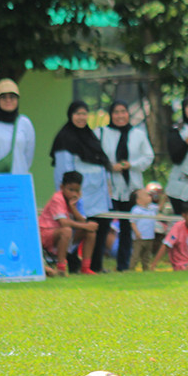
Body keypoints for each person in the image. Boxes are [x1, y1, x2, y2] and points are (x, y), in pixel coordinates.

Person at [51, 101, 113, 273]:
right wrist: (66, 193)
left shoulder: (90, 137)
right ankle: (73, 263)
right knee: (76, 231)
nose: (81, 117)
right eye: (77, 114)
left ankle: (96, 265)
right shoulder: (64, 138)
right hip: (78, 196)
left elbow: (102, 163)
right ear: (70, 115)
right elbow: (62, 169)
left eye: (84, 114)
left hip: (98, 195)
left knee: (101, 227)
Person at [98, 101, 155, 272]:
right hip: (109, 186)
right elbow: (97, 155)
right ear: (111, 115)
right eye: (116, 112)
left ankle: (124, 265)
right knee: (104, 225)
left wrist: (131, 164)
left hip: (132, 188)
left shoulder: (138, 134)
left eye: (123, 111)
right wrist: (110, 166)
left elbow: (148, 157)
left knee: (127, 227)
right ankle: (96, 264)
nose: (120, 116)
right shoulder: (102, 133)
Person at [38, 170, 98, 276]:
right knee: (66, 230)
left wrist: (73, 208)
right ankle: (61, 268)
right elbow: (63, 223)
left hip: (64, 236)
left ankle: (85, 268)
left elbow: (82, 221)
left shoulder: (77, 200)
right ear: (62, 187)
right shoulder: (57, 198)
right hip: (45, 234)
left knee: (90, 232)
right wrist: (86, 225)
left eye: (77, 190)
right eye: (71, 190)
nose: (74, 194)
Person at [129, 188, 158, 272]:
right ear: (138, 200)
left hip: (150, 236)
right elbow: (133, 222)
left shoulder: (152, 208)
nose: (149, 197)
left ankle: (146, 269)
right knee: (136, 255)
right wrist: (137, 232)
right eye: (146, 195)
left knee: (147, 255)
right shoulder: (136, 210)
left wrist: (163, 197)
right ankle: (131, 268)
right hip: (139, 238)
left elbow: (159, 208)